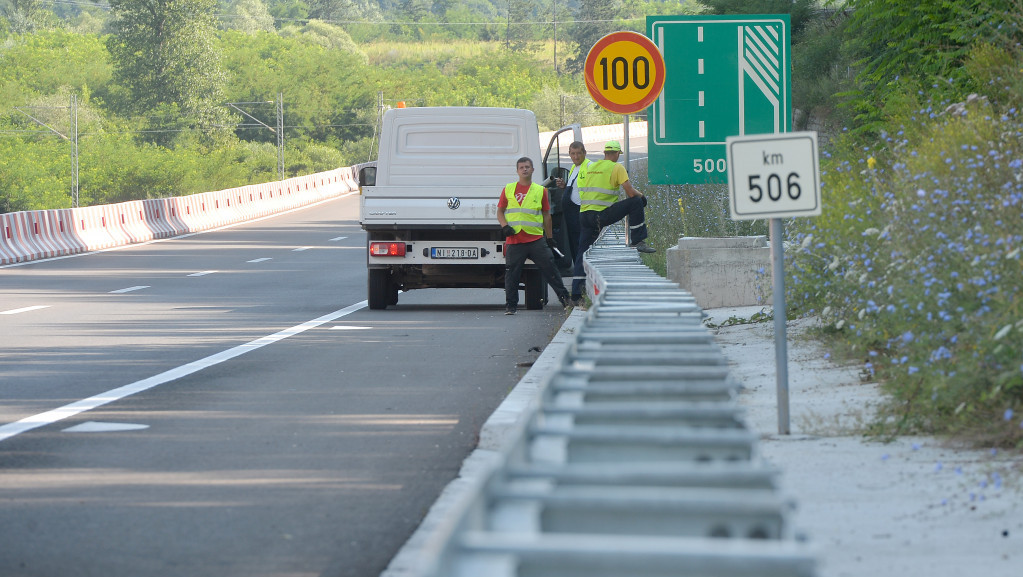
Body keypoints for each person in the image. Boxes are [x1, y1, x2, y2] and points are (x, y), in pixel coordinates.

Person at [570, 140, 655, 305]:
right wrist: (642, 196)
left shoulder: (591, 167)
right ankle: (638, 239)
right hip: (601, 215)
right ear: (616, 154)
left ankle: (576, 294)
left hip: (584, 215)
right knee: (636, 202)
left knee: (582, 251)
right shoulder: (617, 167)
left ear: (604, 153)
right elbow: (630, 192)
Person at [497, 156, 573, 315]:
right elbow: (500, 211)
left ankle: (566, 300)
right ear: (517, 171)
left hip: (535, 239)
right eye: (521, 167)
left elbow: (547, 216)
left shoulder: (541, 191)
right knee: (512, 274)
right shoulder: (508, 189)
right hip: (514, 240)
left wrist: (550, 238)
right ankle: (511, 306)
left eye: (527, 167)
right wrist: (505, 227)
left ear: (533, 170)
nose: (524, 169)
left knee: (551, 270)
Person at [554, 141, 591, 264]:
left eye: (579, 153)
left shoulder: (589, 166)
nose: (576, 156)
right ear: (569, 154)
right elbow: (575, 190)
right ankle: (579, 273)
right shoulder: (574, 168)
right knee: (574, 246)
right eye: (573, 153)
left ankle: (583, 275)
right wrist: (564, 186)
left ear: (584, 153)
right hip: (572, 216)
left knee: (582, 246)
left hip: (582, 212)